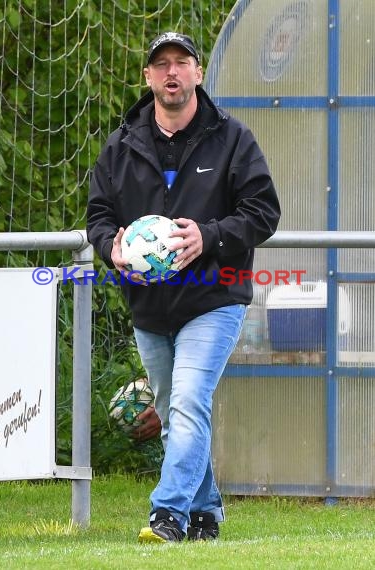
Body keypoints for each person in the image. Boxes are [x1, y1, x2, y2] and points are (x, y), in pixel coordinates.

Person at [87, 31, 280, 543]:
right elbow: (99, 216)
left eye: (182, 62)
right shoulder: (121, 144)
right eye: (161, 64)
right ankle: (205, 514)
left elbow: (263, 213)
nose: (171, 72)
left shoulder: (234, 139)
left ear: (197, 73)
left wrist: (209, 236)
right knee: (177, 411)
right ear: (148, 77)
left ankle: (166, 513)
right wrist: (114, 248)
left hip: (215, 295)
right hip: (149, 304)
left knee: (189, 400)